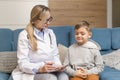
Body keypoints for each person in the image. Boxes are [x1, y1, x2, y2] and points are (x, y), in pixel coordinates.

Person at [11, 4, 69, 80]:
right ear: (35, 20)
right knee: (51, 78)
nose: (48, 23)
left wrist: (58, 66)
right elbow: (22, 63)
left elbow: (55, 55)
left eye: (49, 19)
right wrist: (40, 68)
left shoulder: (50, 33)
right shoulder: (24, 35)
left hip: (50, 69)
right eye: (45, 20)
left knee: (64, 77)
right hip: (31, 72)